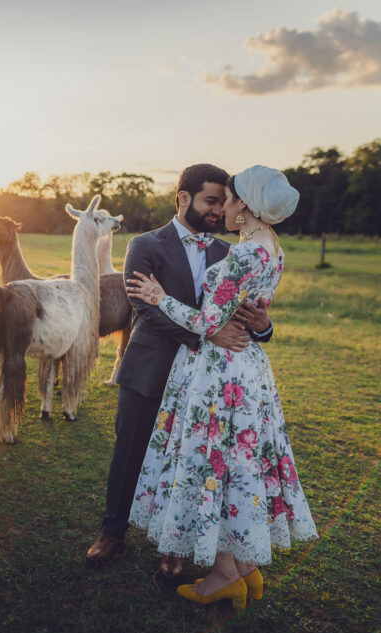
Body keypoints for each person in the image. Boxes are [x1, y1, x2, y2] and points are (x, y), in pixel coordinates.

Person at [125, 165, 318, 608]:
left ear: (244, 206)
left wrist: (160, 298)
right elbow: (245, 311)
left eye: (228, 199)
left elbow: (208, 323)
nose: (223, 207)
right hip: (246, 368)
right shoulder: (272, 248)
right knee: (238, 463)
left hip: (222, 375)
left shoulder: (245, 254)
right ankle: (246, 569)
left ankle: (224, 575)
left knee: (221, 466)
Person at [85, 164, 273, 576]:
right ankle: (112, 532)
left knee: (189, 461)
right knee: (130, 451)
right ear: (183, 198)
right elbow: (145, 307)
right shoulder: (145, 244)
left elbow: (242, 316)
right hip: (149, 369)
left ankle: (174, 546)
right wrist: (207, 337)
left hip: (205, 383)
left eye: (222, 201)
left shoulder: (229, 253)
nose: (218, 209)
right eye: (210, 200)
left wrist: (263, 327)